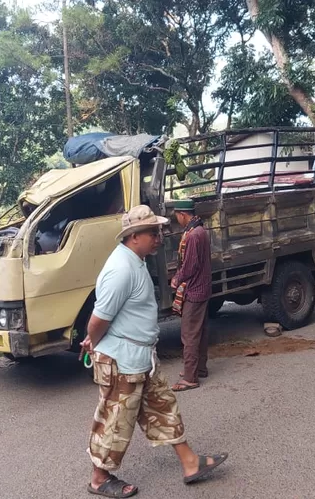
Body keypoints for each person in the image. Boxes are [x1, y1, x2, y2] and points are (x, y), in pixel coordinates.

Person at [80, 204, 227, 498]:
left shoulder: (135, 259)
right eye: (153, 232)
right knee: (116, 421)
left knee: (163, 407)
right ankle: (98, 478)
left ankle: (190, 463)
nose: (159, 237)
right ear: (134, 236)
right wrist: (92, 341)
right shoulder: (121, 269)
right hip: (122, 362)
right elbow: (99, 319)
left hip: (141, 359)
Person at [169, 199, 212, 392]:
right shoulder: (199, 230)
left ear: (182, 214)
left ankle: (190, 377)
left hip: (194, 290)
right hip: (202, 288)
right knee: (199, 331)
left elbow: (190, 265)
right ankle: (199, 368)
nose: (176, 219)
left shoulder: (193, 235)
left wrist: (177, 278)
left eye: (176, 215)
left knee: (189, 334)